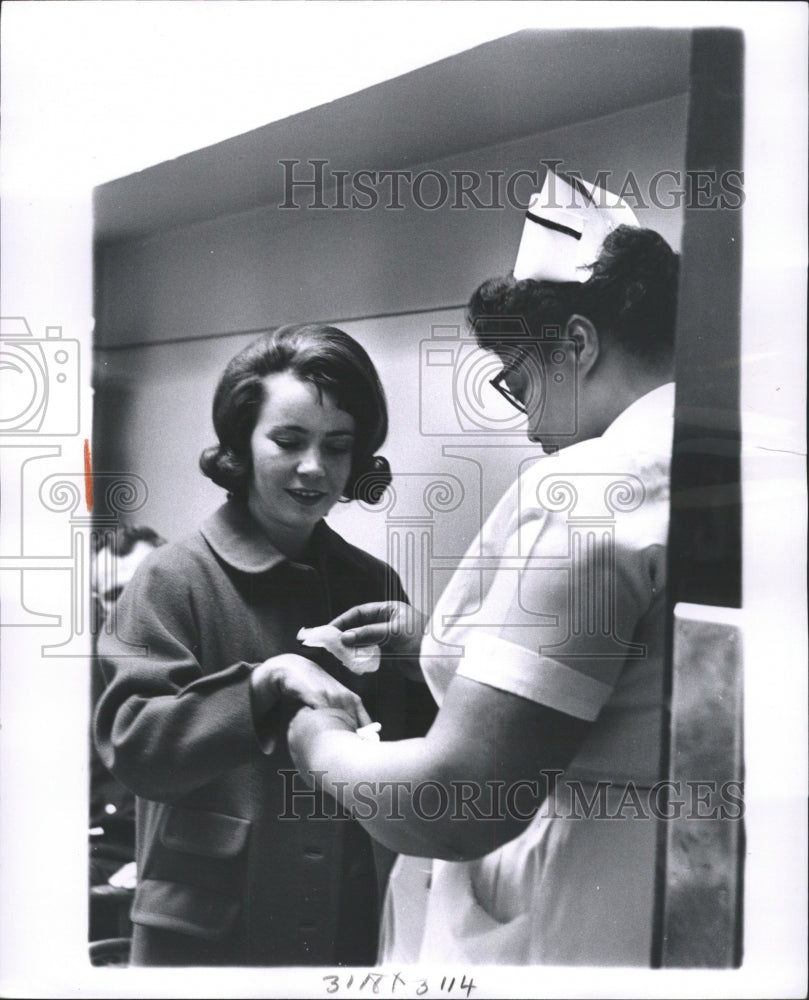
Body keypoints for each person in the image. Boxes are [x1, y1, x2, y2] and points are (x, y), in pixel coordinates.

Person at [287, 172, 680, 965]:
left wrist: (318, 740)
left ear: (576, 343)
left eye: (520, 380)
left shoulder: (594, 485)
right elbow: (628, 685)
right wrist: (437, 642)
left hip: (575, 910)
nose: (531, 423)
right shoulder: (733, 450)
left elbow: (460, 799)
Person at [94, 324, 435, 966]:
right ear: (241, 447)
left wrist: (426, 656)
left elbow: (411, 750)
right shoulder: (173, 578)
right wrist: (262, 683)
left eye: (338, 446)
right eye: (288, 440)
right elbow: (132, 744)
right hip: (206, 940)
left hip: (340, 922)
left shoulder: (372, 583)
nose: (315, 468)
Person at [89, 525, 166, 943]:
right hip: (98, 857)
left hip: (181, 866)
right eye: (118, 594)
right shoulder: (76, 689)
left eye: (148, 585)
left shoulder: (221, 671)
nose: (139, 605)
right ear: (100, 606)